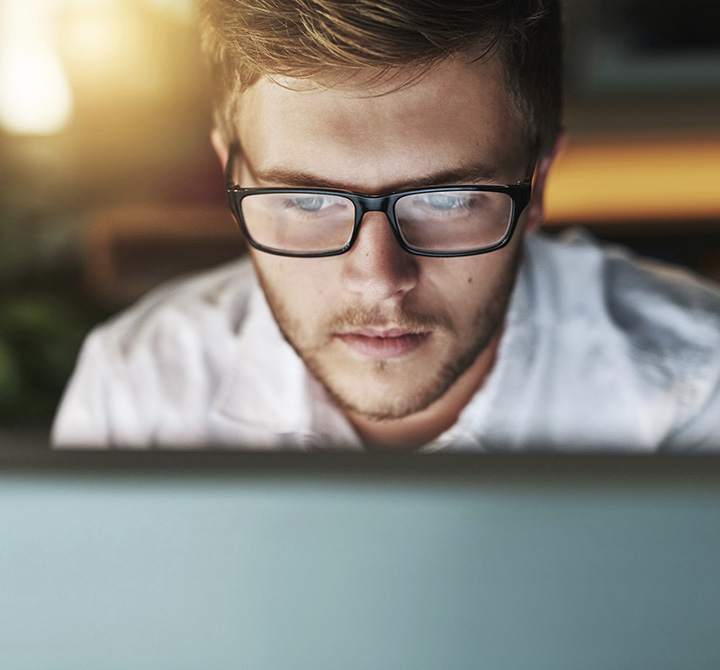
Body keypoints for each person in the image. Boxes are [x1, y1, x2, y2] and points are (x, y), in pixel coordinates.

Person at [52, 0, 720, 450]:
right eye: (308, 201)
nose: (380, 280)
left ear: (539, 181)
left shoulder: (695, 393)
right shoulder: (137, 390)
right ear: (234, 174)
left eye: (449, 198)